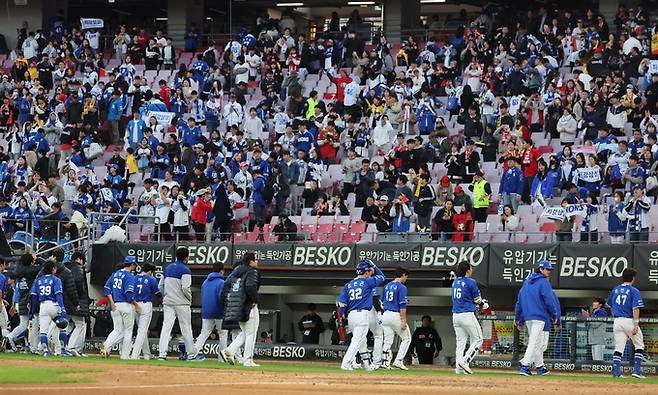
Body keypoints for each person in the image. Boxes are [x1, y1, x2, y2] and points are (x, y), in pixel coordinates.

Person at [337, 259, 385, 371]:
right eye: (368, 271)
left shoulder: (348, 285)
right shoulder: (368, 282)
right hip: (362, 315)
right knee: (357, 341)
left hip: (351, 316)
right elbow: (382, 276)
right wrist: (374, 266)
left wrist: (341, 318)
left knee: (362, 342)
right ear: (366, 272)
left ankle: (367, 365)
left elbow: (342, 304)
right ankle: (346, 363)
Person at [515, 260, 560, 376]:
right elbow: (549, 300)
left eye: (549, 269)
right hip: (540, 316)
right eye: (547, 269)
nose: (549, 272)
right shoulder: (544, 282)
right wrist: (554, 315)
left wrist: (518, 318)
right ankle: (525, 366)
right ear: (541, 269)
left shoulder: (527, 282)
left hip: (528, 316)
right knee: (534, 342)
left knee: (537, 342)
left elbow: (519, 301)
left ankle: (540, 367)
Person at [158, 247, 201, 361]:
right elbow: (186, 288)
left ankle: (162, 354)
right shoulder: (185, 270)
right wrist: (189, 299)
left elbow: (160, 286)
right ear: (187, 258)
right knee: (186, 327)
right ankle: (191, 354)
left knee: (166, 327)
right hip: (182, 303)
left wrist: (164, 296)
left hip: (168, 302)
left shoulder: (167, 268)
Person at [221, 252, 261, 367]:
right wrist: (254, 300)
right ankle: (248, 360)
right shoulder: (252, 271)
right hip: (248, 306)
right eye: (256, 259)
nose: (257, 261)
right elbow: (250, 286)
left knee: (245, 332)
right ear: (251, 261)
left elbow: (227, 285)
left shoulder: (236, 272)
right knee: (251, 333)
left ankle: (229, 351)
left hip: (237, 305)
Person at [608, 268, 645, 379]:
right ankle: (637, 371)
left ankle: (617, 373)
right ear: (633, 278)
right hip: (629, 320)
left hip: (617, 320)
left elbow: (610, 306)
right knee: (639, 345)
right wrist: (636, 324)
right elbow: (635, 308)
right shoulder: (634, 291)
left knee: (618, 348)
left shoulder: (615, 289)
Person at [100, 256, 139, 360]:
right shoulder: (130, 276)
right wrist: (136, 305)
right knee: (128, 331)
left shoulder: (115, 274)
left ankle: (106, 346)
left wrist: (112, 303)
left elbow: (107, 289)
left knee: (117, 330)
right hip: (126, 305)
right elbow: (129, 294)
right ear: (132, 265)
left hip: (115, 305)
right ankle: (125, 355)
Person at [451, 261, 486, 374]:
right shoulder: (471, 282)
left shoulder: (455, 282)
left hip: (456, 315)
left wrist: (478, 303)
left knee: (460, 342)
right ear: (467, 270)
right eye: (471, 268)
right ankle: (465, 361)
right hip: (467, 314)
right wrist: (483, 304)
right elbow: (477, 300)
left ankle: (458, 368)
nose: (472, 270)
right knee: (478, 339)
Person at [29, 260, 68, 357]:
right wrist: (62, 308)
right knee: (62, 326)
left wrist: (32, 310)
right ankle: (62, 350)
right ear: (53, 269)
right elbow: (58, 294)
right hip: (53, 305)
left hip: (43, 306)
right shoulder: (56, 280)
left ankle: (45, 351)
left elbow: (33, 296)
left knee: (43, 331)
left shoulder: (38, 280)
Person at [195, 263, 228, 360]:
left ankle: (193, 353)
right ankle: (222, 359)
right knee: (223, 333)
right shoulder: (222, 282)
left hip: (206, 311)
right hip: (219, 311)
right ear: (222, 271)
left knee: (204, 333)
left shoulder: (205, 282)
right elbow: (222, 298)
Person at [381, 267, 411, 370]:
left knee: (388, 340)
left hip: (385, 314)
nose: (406, 278)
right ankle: (398, 361)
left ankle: (385, 363)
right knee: (407, 338)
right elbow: (402, 306)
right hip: (395, 315)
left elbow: (381, 302)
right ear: (403, 275)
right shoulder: (402, 287)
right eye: (406, 276)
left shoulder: (387, 286)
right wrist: (403, 321)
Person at [130, 263, 160, 360]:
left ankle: (147, 354)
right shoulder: (151, 279)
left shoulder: (134, 278)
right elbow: (158, 293)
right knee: (142, 331)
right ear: (150, 271)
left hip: (134, 305)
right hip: (145, 305)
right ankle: (135, 355)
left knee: (141, 330)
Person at [64, 251, 90, 357]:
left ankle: (61, 346)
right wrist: (78, 300)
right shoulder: (77, 268)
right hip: (75, 301)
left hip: (65, 300)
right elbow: (79, 284)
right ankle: (71, 348)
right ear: (79, 259)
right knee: (80, 325)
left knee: (67, 325)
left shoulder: (65, 267)